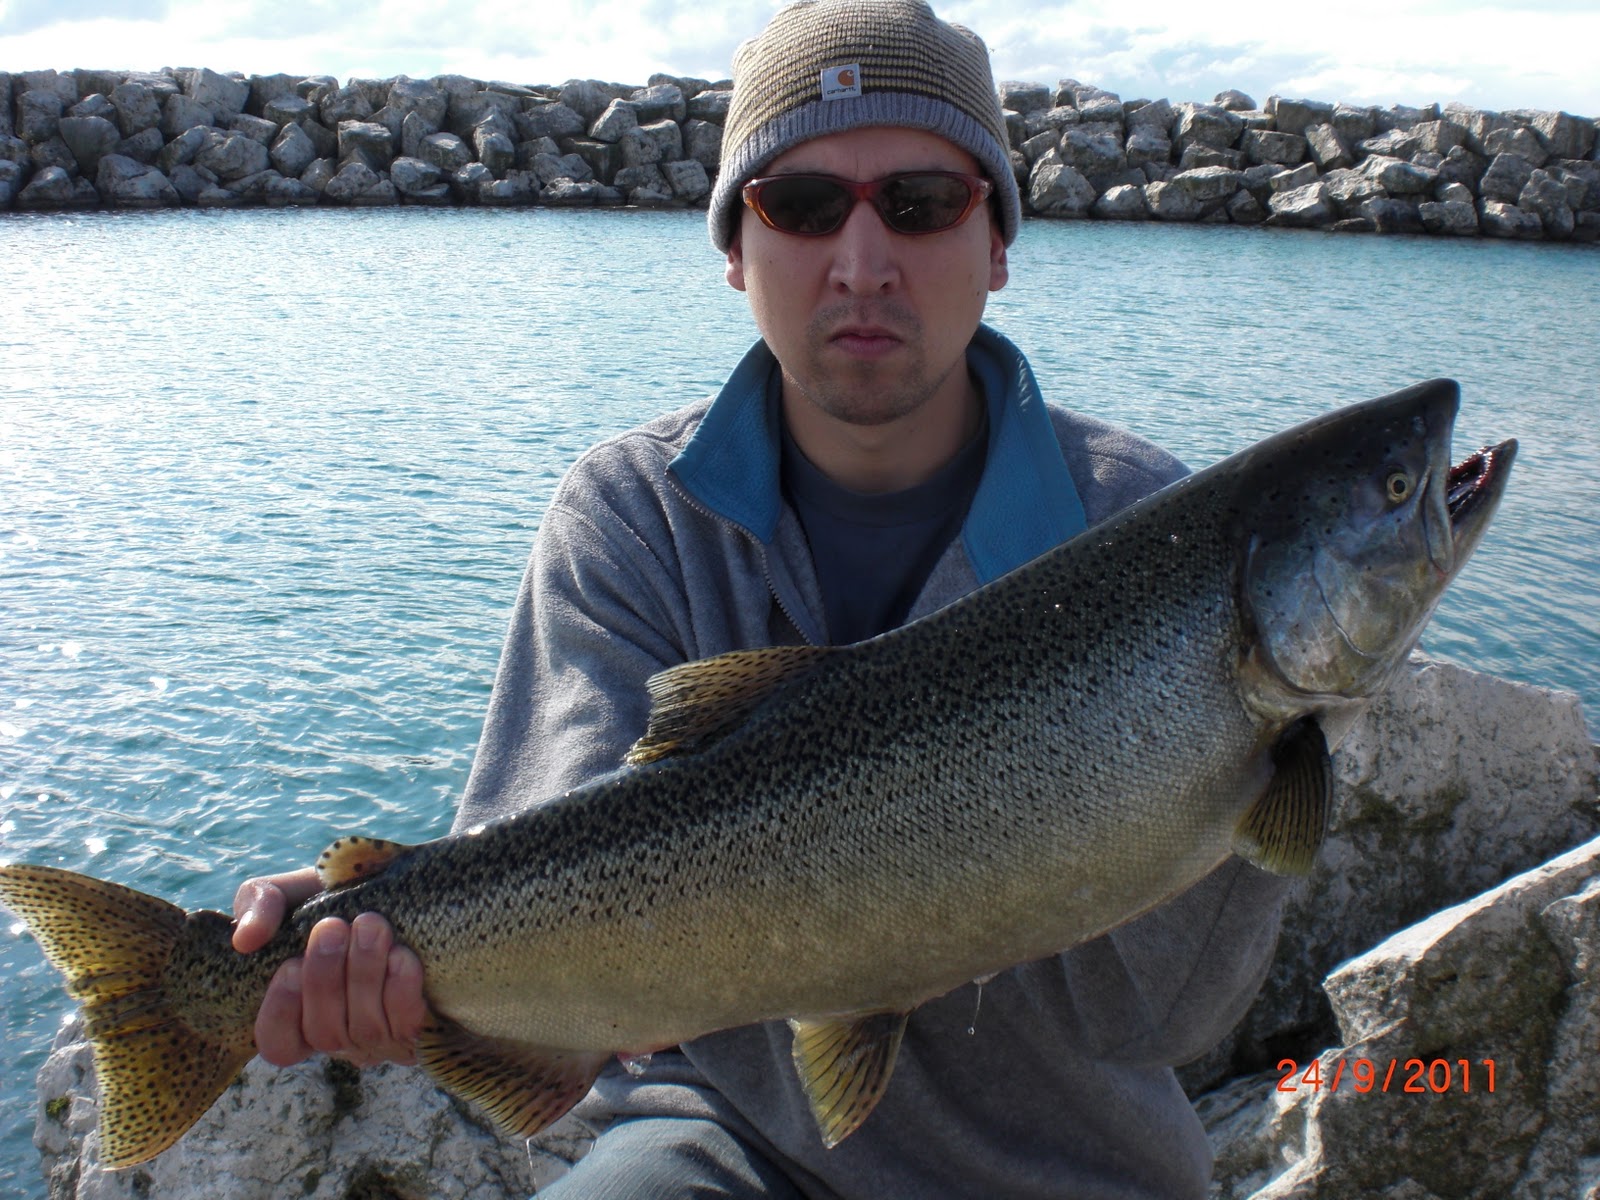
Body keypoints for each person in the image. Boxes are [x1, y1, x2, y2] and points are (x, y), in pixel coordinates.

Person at [232, 1, 1289, 1195]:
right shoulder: (633, 511)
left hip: (1072, 1161)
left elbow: (1162, 1016)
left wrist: (1256, 747)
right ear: (735, 249)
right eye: (798, 205)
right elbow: (553, 867)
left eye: (922, 203)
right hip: (717, 1141)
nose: (861, 262)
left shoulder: (1148, 538)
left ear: (997, 242)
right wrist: (368, 937)